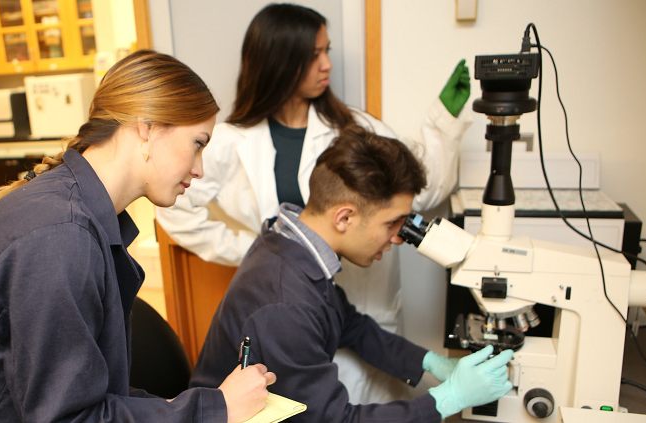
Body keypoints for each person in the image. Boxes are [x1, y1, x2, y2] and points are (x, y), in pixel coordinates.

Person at [0, 50, 275, 423]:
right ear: (147, 127)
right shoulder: (62, 236)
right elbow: (70, 417)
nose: (199, 168)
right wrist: (217, 407)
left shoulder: (72, 211)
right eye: (198, 144)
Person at [155, 3, 473, 403]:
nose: (327, 65)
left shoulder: (353, 127)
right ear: (278, 59)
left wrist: (443, 121)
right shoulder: (234, 140)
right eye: (313, 55)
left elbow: (410, 192)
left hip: (345, 301)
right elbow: (177, 209)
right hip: (297, 302)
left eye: (328, 51)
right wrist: (248, 250)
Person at [190, 127, 514, 423]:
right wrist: (446, 400)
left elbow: (353, 326)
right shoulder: (284, 302)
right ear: (344, 218)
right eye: (392, 223)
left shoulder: (287, 241)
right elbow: (338, 421)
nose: (399, 237)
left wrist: (432, 363)